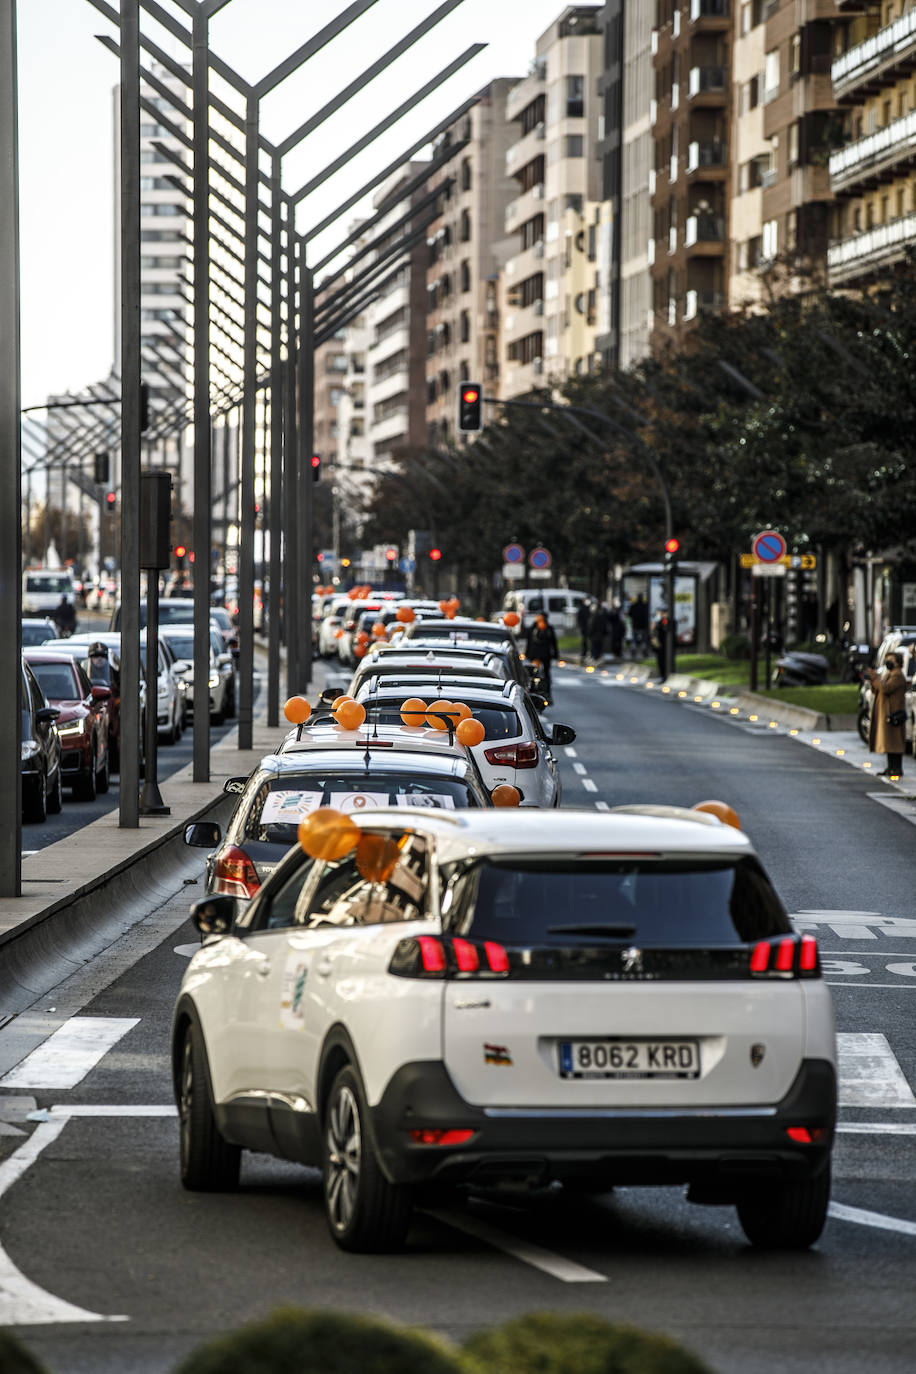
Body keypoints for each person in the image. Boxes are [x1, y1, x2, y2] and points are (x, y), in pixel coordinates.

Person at [865, 652, 907, 778]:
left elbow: (885, 689)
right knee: (889, 742)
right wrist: (873, 679)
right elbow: (877, 688)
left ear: (897, 662)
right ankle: (890, 767)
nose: (888, 661)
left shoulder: (898, 675)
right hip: (886, 711)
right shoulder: (888, 674)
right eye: (887, 659)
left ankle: (897, 768)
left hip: (894, 713)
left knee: (895, 743)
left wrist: (875, 678)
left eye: (891, 660)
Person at [525, 612, 559, 695]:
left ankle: (534, 688)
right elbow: (553, 642)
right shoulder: (548, 628)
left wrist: (527, 653)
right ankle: (546, 689)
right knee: (545, 672)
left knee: (534, 672)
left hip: (536, 654)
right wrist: (555, 653)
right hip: (545, 654)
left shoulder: (534, 627)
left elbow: (529, 641)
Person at [629, 593, 649, 658]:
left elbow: (630, 614)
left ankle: (634, 651)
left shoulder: (634, 606)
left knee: (634, 640)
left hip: (635, 626)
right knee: (643, 640)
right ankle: (644, 651)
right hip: (643, 626)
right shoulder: (645, 606)